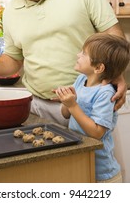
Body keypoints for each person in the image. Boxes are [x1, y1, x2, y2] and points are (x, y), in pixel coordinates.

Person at [55, 33, 130, 182]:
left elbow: (97, 133)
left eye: (84, 53)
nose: (78, 54)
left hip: (103, 176)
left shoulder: (105, 93)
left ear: (98, 67)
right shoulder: (81, 80)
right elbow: (66, 114)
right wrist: (66, 101)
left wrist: (73, 104)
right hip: (82, 162)